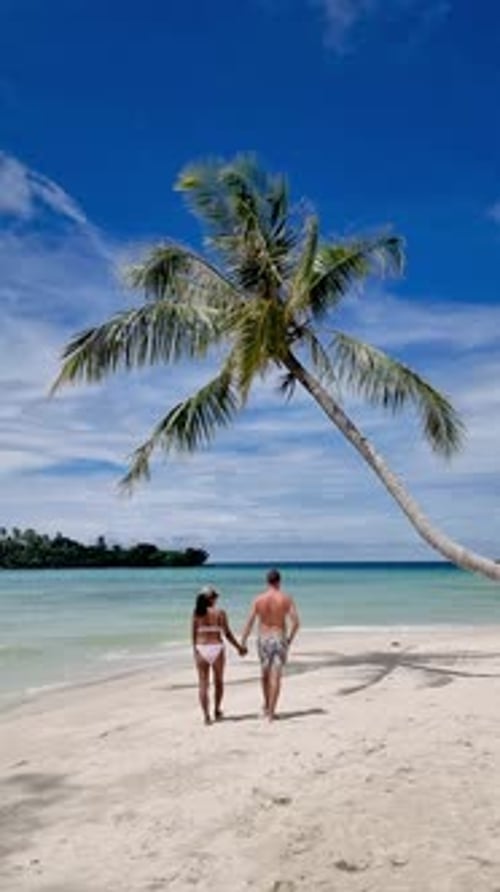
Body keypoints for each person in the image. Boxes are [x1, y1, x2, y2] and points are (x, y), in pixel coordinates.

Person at [240, 568, 300, 721]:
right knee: (276, 677)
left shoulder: (258, 599)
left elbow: (250, 622)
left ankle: (266, 706)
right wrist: (289, 640)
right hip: (279, 637)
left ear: (267, 582)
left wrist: (243, 641)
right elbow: (296, 623)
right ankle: (272, 713)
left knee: (264, 674)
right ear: (279, 581)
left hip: (263, 638)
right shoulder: (286, 598)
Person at [192, 585, 246, 725]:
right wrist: (239, 647)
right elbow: (227, 634)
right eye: (215, 596)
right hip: (216, 647)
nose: (217, 598)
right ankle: (216, 710)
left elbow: (193, 634)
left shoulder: (196, 613)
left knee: (203, 684)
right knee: (218, 681)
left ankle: (206, 716)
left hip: (201, 647)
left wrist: (195, 651)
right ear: (211, 599)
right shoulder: (220, 612)